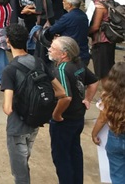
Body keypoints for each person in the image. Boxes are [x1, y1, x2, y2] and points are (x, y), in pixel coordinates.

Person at [1, 24, 63, 184]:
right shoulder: (39, 62)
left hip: (17, 127)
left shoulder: (10, 70)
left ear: (8, 41)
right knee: (24, 162)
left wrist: (22, 101)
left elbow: (7, 109)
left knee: (19, 174)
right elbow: (61, 92)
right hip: (35, 123)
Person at [48, 36, 99, 184]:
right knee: (74, 152)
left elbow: (66, 97)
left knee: (61, 157)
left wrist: (56, 115)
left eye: (53, 48)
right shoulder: (78, 63)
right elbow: (94, 81)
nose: (49, 49)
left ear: (64, 54)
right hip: (78, 117)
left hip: (66, 120)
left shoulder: (62, 69)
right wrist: (87, 100)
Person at [92, 62, 125, 183]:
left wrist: (94, 134)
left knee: (117, 175)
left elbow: (102, 119)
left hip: (115, 137)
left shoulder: (108, 96)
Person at [47, 0, 90, 66]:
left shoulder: (67, 17)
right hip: (83, 52)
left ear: (69, 5)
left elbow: (51, 30)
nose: (62, 3)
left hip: (71, 54)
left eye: (64, 1)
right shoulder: (83, 15)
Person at [88, 0, 116, 83]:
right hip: (110, 39)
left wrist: (86, 32)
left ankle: (106, 96)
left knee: (102, 72)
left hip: (101, 42)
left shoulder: (99, 5)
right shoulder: (109, 0)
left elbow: (95, 27)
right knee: (109, 68)